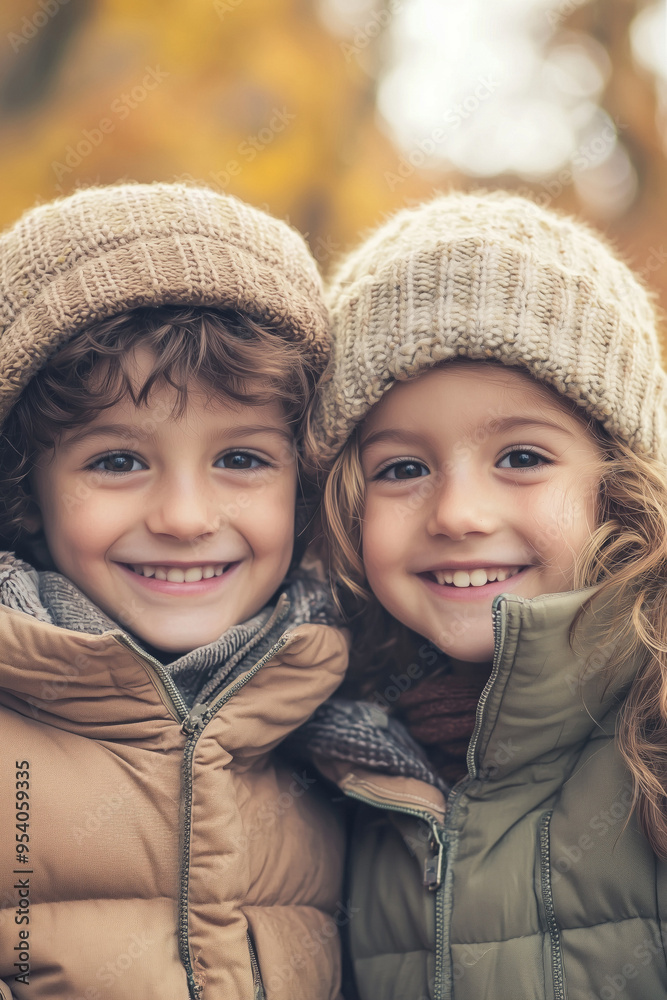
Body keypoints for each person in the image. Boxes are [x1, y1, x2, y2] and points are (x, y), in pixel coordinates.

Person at [302, 191, 667, 999]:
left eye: (522, 457)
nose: (459, 514)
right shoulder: (333, 756)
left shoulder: (651, 737)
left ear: (618, 482)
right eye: (402, 468)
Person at [0, 182, 349, 1000]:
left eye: (241, 459)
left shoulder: (345, 734)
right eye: (118, 461)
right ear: (26, 490)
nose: (186, 518)